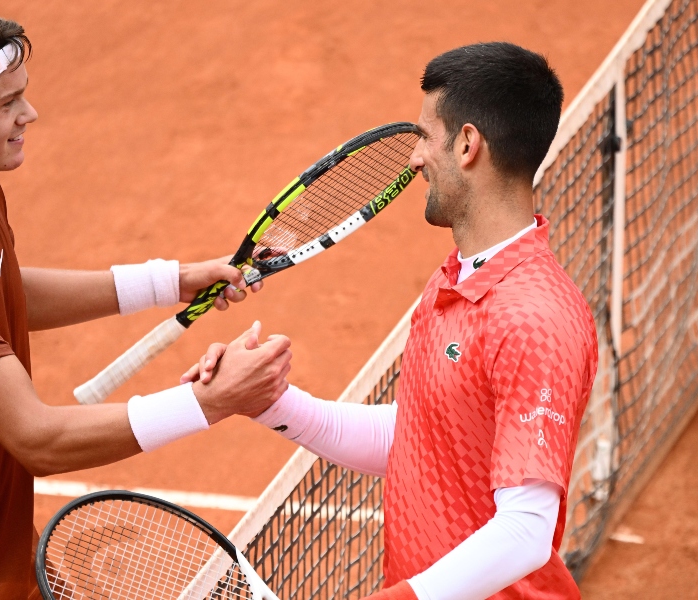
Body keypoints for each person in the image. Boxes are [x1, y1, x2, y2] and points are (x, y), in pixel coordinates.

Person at [0, 8, 288, 599]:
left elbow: (1, 290)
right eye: (8, 103)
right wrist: (209, 402)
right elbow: (38, 438)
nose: (28, 114)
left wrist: (172, 280)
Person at [180, 43, 599, 599]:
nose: (413, 159)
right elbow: (420, 437)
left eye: (425, 137)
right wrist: (266, 401)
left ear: (469, 144)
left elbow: (526, 532)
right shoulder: (454, 282)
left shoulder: (535, 318)